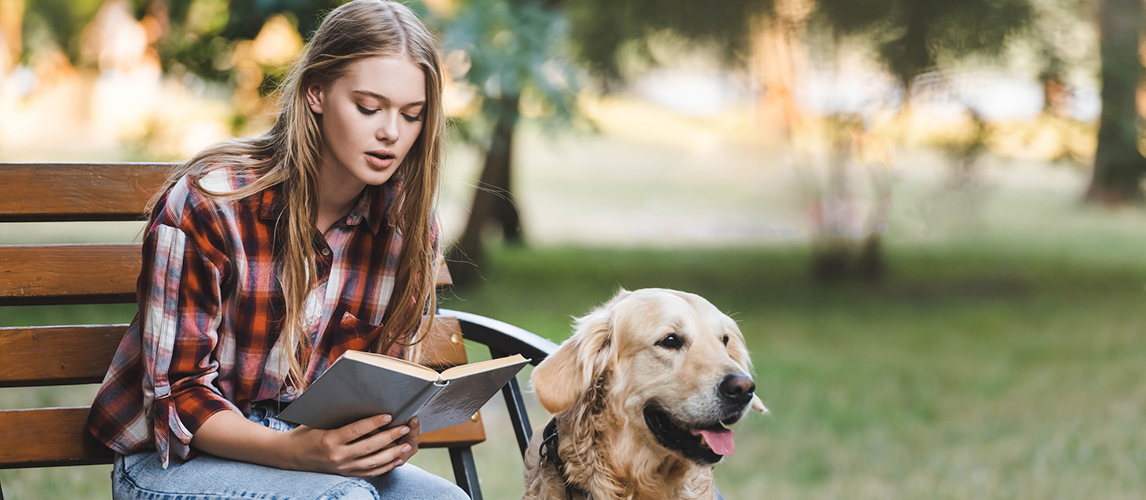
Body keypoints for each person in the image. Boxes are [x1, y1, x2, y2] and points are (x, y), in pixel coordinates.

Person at [85, 1, 469, 499]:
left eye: (411, 115)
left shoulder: (404, 227)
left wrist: (384, 434)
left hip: (309, 450)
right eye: (368, 108)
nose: (391, 133)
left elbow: (382, 384)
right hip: (174, 462)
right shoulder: (212, 203)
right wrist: (301, 454)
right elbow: (177, 399)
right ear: (316, 93)